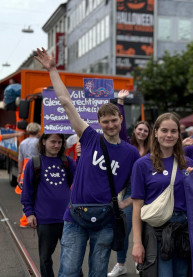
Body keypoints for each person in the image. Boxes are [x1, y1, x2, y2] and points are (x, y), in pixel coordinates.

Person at [35, 47, 141, 276]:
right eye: (105, 121)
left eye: (114, 120)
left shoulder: (131, 153)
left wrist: (126, 203)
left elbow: (142, 185)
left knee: (97, 273)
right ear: (99, 122)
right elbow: (65, 102)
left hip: (105, 220)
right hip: (74, 217)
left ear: (121, 119)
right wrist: (52, 69)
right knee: (69, 271)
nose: (110, 125)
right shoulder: (89, 136)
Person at [131, 113, 193, 277]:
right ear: (156, 133)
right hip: (157, 232)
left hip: (184, 232)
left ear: (179, 135)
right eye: (164, 130)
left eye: (174, 131)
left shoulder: (188, 164)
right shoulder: (141, 165)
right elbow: (137, 206)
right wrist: (137, 243)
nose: (169, 135)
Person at [108, 91, 152, 277]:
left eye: (145, 130)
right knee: (124, 230)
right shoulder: (127, 144)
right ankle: (120, 264)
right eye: (139, 129)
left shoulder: (152, 149)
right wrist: (120, 102)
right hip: (130, 193)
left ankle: (141, 262)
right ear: (134, 131)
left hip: (149, 194)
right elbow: (121, 124)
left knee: (145, 231)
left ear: (149, 134)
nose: (142, 132)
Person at [21, 133, 76, 277]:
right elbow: (27, 191)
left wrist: (81, 156)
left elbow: (80, 178)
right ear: (44, 141)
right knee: (45, 258)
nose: (56, 145)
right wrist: (29, 213)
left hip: (67, 218)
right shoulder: (34, 163)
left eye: (59, 142)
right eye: (53, 142)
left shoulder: (67, 162)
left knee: (71, 257)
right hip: (45, 218)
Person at [16, 122, 41, 228]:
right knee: (37, 194)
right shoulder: (39, 143)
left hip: (26, 168)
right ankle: (36, 218)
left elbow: (20, 159)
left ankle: (25, 220)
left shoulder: (23, 143)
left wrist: (19, 172)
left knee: (25, 195)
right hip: (37, 167)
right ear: (38, 131)